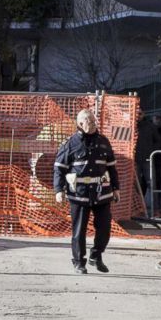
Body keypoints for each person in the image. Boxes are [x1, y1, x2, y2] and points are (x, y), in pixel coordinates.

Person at [53, 109, 119, 274]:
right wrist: (58, 190)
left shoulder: (104, 142)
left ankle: (96, 256)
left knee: (104, 227)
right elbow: (59, 169)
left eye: (94, 120)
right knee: (79, 230)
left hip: (101, 193)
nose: (93, 123)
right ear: (80, 124)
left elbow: (112, 168)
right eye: (89, 121)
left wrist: (116, 188)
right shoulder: (70, 144)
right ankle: (78, 262)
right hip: (79, 194)